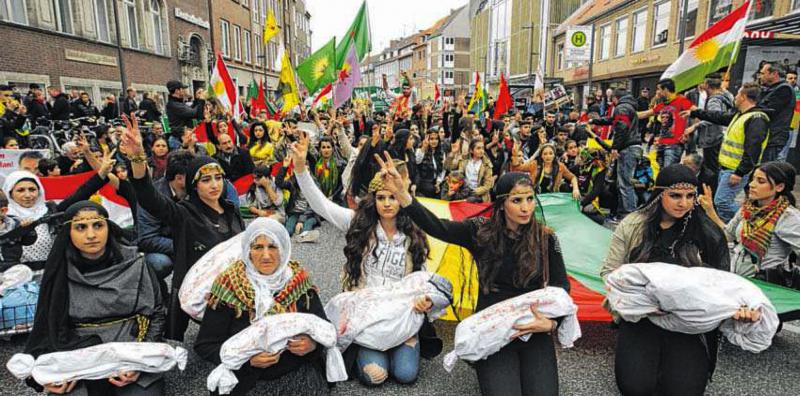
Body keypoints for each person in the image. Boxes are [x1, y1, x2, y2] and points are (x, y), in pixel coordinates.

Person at [382, 165, 569, 396]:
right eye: (517, 200)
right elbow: (436, 226)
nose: (525, 207)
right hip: (491, 326)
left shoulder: (546, 238)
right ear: (502, 203)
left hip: (533, 326)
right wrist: (403, 195)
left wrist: (551, 324)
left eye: (530, 199)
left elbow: (562, 288)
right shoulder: (480, 230)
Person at [289, 134, 435, 386]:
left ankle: (406, 341)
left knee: (405, 374)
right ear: (373, 199)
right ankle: (366, 349)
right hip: (366, 315)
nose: (388, 203)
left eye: (393, 197)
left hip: (401, 313)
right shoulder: (357, 224)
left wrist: (425, 300)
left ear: (401, 199)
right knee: (374, 377)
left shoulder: (414, 230)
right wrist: (301, 169)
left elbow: (424, 276)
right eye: (381, 197)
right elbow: (321, 205)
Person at [600, 164, 758, 396]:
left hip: (689, 324)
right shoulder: (633, 225)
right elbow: (609, 274)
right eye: (675, 195)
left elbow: (723, 285)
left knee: (684, 390)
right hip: (643, 318)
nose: (683, 203)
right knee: (635, 387)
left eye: (690, 196)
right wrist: (638, 303)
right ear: (658, 194)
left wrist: (739, 310)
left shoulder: (707, 233)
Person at [23, 201, 165, 395]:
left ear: (108, 227)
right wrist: (52, 373)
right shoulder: (59, 271)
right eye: (80, 227)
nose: (91, 235)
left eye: (98, 225)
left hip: (131, 351)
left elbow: (156, 314)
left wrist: (139, 362)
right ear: (68, 232)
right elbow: (48, 326)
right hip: (78, 357)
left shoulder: (135, 263)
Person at [123, 114, 244, 341]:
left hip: (233, 284)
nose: (214, 185)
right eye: (206, 180)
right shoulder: (184, 213)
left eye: (218, 178)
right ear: (193, 185)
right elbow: (149, 198)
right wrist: (138, 157)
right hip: (197, 287)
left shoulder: (231, 209)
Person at [194, 218, 329, 395]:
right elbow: (205, 344)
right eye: (258, 247)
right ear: (248, 251)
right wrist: (247, 359)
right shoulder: (228, 286)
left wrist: (312, 345)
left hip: (294, 371)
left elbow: (325, 327)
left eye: (273, 247)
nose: (266, 255)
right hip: (245, 377)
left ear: (283, 250)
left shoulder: (298, 283)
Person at [701, 162, 800, 284]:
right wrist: (710, 210)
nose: (751, 185)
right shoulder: (747, 209)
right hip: (738, 281)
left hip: (767, 286)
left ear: (779, 187)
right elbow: (727, 235)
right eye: (752, 179)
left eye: (761, 181)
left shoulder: (788, 217)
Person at [687, 82, 770, 223]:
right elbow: (718, 116)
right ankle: (728, 230)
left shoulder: (756, 118)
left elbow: (753, 149)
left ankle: (752, 223)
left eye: (737, 94)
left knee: (722, 202)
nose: (735, 97)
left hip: (735, 170)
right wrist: (695, 112)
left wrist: (740, 172)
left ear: (743, 97)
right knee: (722, 202)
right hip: (728, 168)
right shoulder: (741, 115)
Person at [1, 167, 110, 266]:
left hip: (52, 274)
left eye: (32, 189)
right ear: (10, 193)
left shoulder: (50, 212)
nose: (28, 195)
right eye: (20, 190)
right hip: (15, 278)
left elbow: (80, 194)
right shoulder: (4, 217)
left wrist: (102, 174)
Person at [683, 75, 735, 192]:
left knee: (711, 170)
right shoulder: (726, 96)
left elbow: (714, 116)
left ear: (706, 85)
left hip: (712, 138)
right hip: (720, 136)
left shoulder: (714, 100)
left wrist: (695, 126)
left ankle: (710, 193)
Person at [639, 79, 692, 169]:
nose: (657, 92)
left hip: (674, 145)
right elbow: (645, 114)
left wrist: (690, 129)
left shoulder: (682, 101)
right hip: (661, 144)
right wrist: (628, 112)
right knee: (659, 173)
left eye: (659, 89)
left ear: (666, 90)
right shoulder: (663, 104)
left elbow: (697, 113)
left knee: (668, 173)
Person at [513, 143, 580, 200]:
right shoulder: (534, 165)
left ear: (554, 155)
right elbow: (518, 168)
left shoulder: (560, 166)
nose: (548, 156)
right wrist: (515, 155)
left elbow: (573, 177)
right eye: (545, 154)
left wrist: (575, 189)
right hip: (535, 197)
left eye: (551, 153)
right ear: (541, 156)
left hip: (552, 198)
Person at [757, 62, 795, 161]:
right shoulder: (771, 89)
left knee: (766, 169)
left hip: (774, 137)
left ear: (774, 74)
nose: (760, 76)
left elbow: (767, 110)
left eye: (763, 73)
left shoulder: (784, 89)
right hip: (769, 136)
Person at [445, 138, 495, 202]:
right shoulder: (464, 160)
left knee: (470, 200)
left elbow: (487, 186)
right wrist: (453, 153)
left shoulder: (487, 164)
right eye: (478, 148)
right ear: (471, 150)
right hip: (463, 191)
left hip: (478, 195)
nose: (482, 151)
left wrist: (473, 191)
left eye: (482, 148)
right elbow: (448, 167)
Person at [165, 81, 205, 149]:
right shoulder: (174, 105)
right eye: (183, 89)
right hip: (180, 140)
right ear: (177, 91)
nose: (184, 91)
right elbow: (194, 113)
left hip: (184, 137)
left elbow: (190, 110)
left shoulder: (177, 103)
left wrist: (197, 99)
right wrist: (201, 100)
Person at [415, 128, 446, 198]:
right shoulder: (420, 150)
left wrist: (438, 182)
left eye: (436, 139)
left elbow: (442, 170)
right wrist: (424, 147)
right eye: (431, 139)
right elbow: (417, 161)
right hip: (423, 182)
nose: (434, 141)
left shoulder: (441, 152)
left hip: (436, 182)